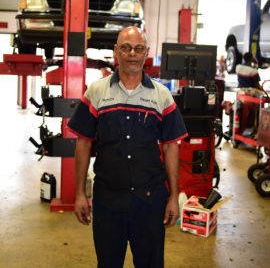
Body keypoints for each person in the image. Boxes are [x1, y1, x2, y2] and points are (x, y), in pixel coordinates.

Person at [68, 26, 187, 268]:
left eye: (138, 48)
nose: (132, 53)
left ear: (146, 53)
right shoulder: (96, 92)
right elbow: (83, 144)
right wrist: (80, 193)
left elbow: (171, 148)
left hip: (150, 200)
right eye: (126, 47)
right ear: (116, 52)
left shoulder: (162, 96)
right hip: (108, 200)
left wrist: (174, 196)